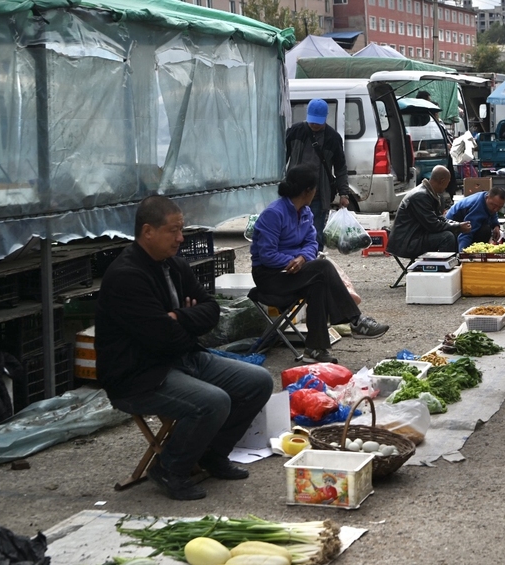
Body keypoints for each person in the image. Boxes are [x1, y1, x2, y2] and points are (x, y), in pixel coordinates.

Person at [96, 195, 274, 501]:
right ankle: (169, 468)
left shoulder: (174, 265)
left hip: (181, 357)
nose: (181, 237)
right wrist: (187, 324)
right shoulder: (127, 276)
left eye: (182, 230)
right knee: (214, 401)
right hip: (140, 374)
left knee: (259, 381)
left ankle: (211, 454)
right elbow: (161, 337)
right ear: (148, 231)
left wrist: (179, 317)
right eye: (174, 230)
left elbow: (211, 310)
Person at [251, 166, 389, 364]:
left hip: (293, 272)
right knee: (322, 268)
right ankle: (356, 321)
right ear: (308, 190)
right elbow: (267, 254)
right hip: (270, 276)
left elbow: (312, 243)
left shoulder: (305, 212)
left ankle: (315, 349)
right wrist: (293, 260)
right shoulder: (274, 214)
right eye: (315, 189)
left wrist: (302, 258)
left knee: (318, 283)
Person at [285, 99, 351, 249]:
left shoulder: (333, 138)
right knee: (291, 235)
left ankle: (313, 266)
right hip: (293, 195)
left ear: (325, 118)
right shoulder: (295, 131)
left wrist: (344, 193)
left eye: (318, 122)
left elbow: (340, 167)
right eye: (312, 121)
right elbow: (280, 158)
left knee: (315, 236)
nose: (314, 125)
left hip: (318, 197)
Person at [387, 165, 471, 258]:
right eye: (448, 182)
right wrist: (458, 226)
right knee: (447, 237)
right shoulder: (420, 196)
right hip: (406, 242)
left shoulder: (429, 193)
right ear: (442, 181)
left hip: (416, 236)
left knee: (453, 232)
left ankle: (451, 265)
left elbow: (440, 219)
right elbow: (433, 225)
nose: (448, 186)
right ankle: (441, 269)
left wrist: (457, 225)